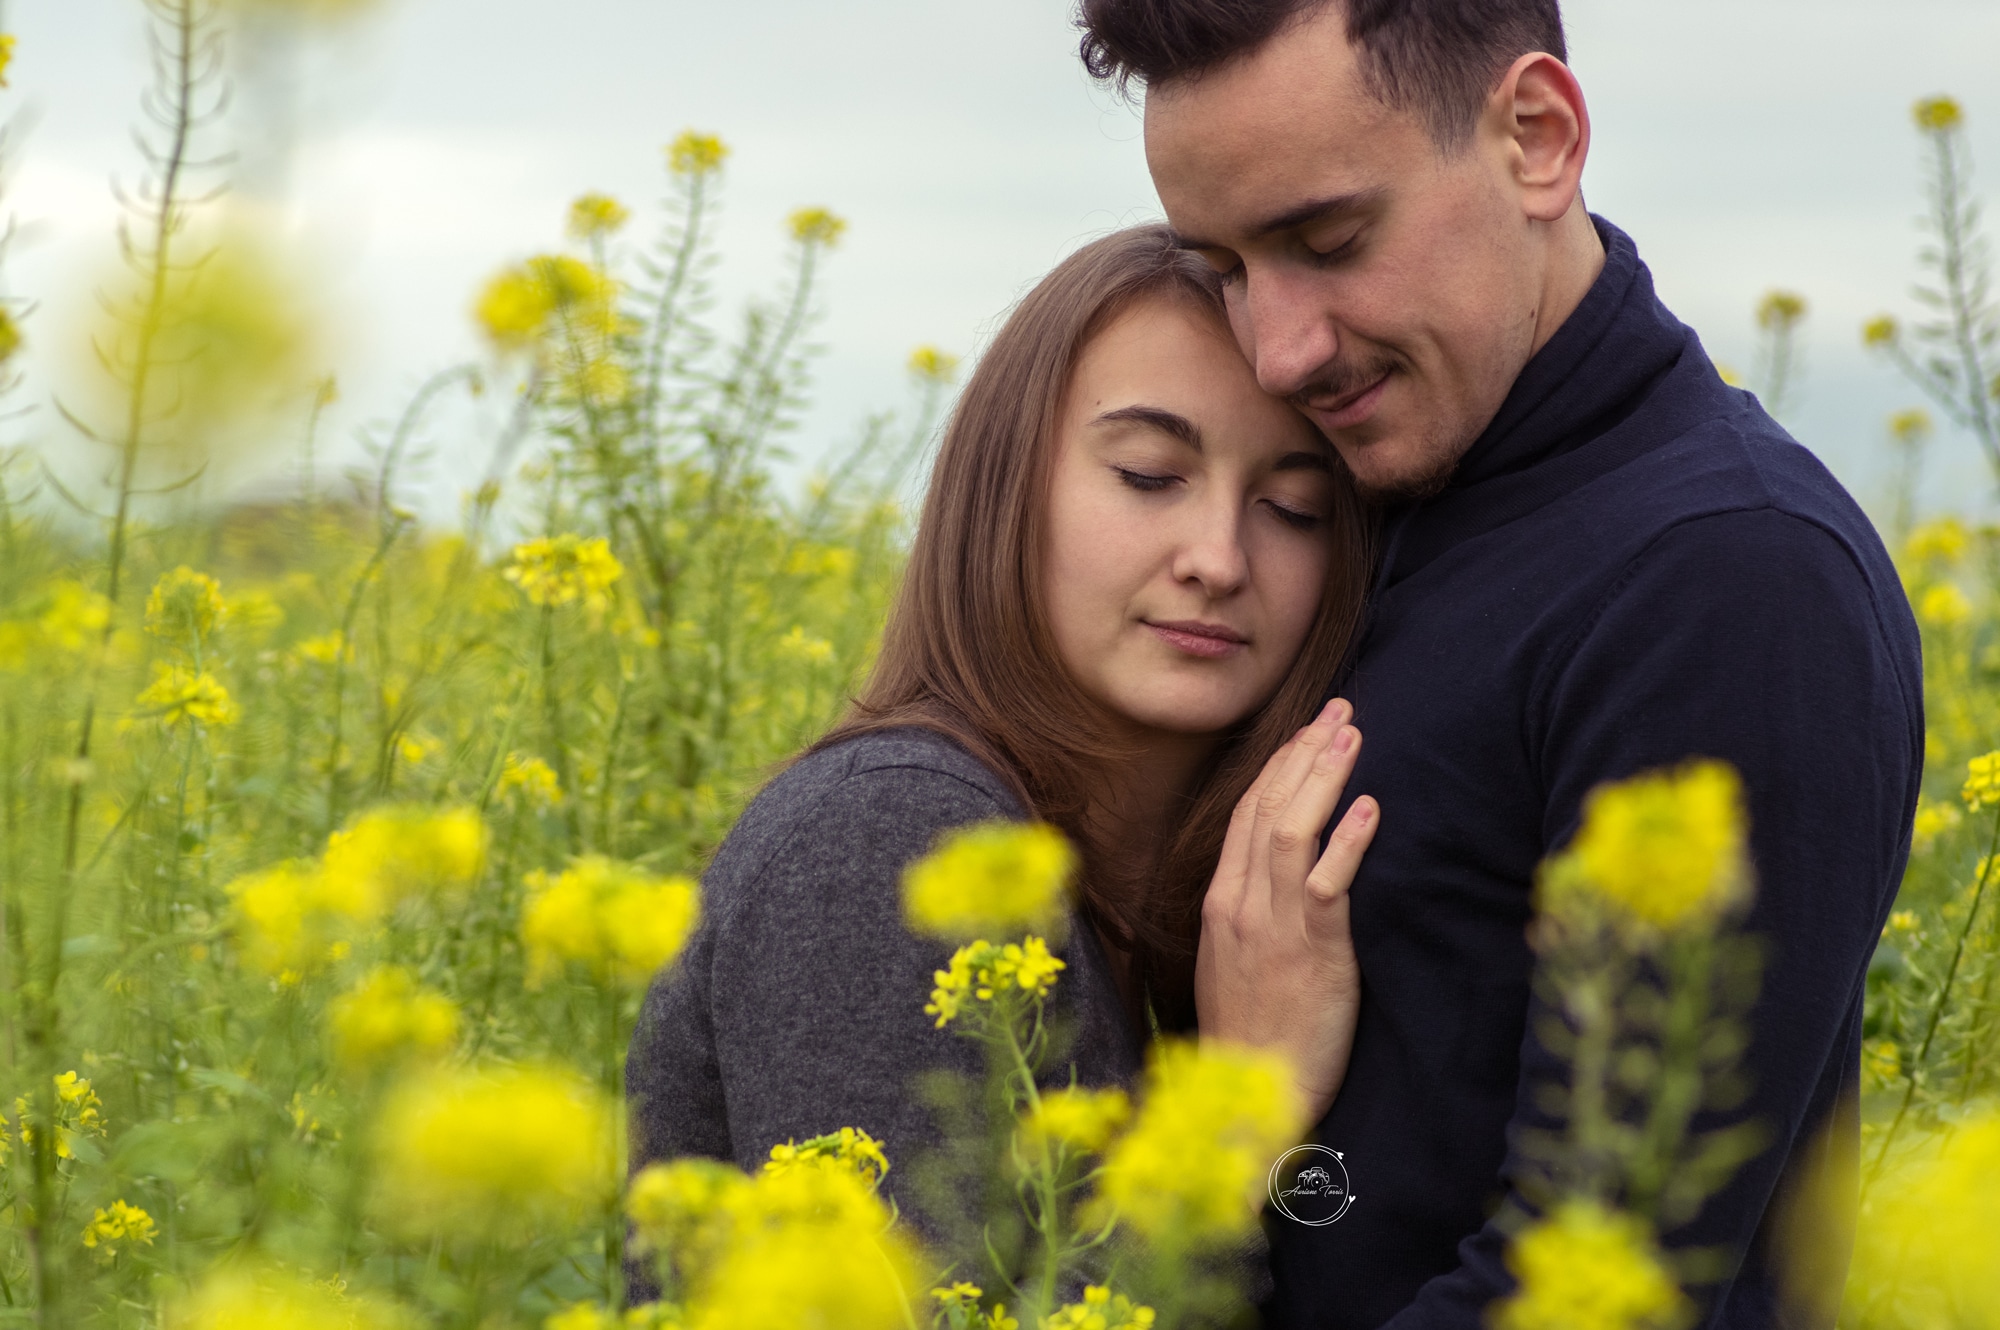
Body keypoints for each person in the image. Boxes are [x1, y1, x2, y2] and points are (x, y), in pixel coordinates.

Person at [1074, 2, 1923, 1328]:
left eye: (1329, 239)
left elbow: (1593, 1281)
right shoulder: (1354, 505)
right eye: (1230, 267)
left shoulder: (1726, 577)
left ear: (1539, 137)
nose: (1278, 346)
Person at [624, 225, 1379, 1272]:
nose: (1217, 558)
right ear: (1005, 484)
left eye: (1291, 507)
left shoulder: (1179, 906)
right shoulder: (888, 835)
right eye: (1148, 473)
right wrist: (1246, 1111)